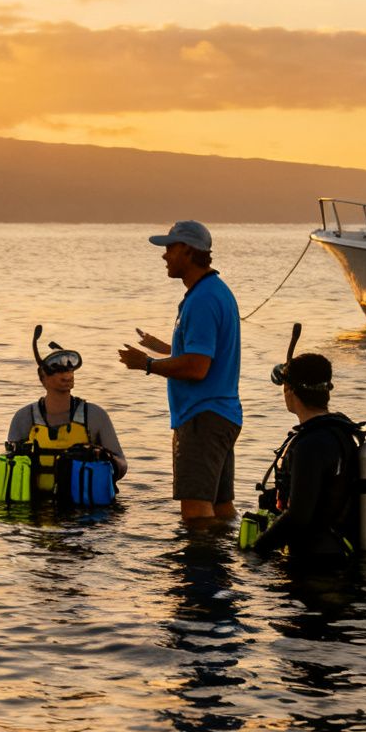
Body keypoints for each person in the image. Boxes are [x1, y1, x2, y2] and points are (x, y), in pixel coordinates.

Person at [118, 220, 242, 522]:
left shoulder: (202, 299)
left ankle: (202, 569)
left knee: (196, 512)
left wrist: (146, 365)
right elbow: (200, 353)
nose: (164, 255)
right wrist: (160, 348)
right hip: (221, 414)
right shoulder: (213, 291)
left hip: (203, 417)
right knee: (221, 507)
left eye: (170, 248)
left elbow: (198, 367)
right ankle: (232, 563)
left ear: (188, 251)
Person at [249, 352, 359, 561]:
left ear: (289, 390)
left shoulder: (311, 444)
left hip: (315, 563)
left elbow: (298, 517)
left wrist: (256, 551)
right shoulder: (340, 432)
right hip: (339, 551)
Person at [6, 326, 127, 492]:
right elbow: (9, 463)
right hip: (36, 507)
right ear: (42, 378)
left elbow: (122, 463)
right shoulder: (24, 418)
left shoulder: (94, 416)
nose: (67, 376)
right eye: (58, 371)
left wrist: (104, 458)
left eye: (70, 370)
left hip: (84, 510)